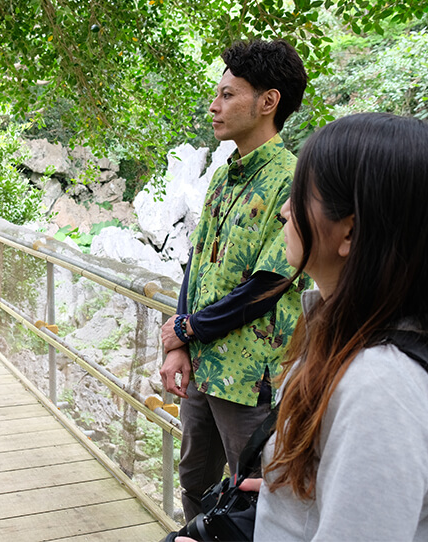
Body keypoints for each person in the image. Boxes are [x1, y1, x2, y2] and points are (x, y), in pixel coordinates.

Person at [248, 113, 428, 540]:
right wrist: (288, 500)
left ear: (350, 230)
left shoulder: (381, 388)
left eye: (300, 195)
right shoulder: (357, 340)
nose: (284, 211)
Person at [159, 38, 310, 521]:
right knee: (194, 482)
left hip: (251, 377)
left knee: (254, 494)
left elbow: (270, 282)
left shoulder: (294, 179)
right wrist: (179, 341)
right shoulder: (225, 175)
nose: (215, 104)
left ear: (268, 102)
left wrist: (187, 329)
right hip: (203, 365)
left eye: (228, 94)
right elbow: (196, 261)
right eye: (217, 93)